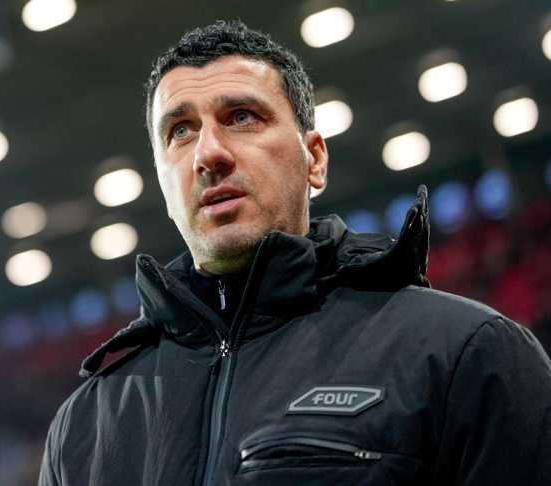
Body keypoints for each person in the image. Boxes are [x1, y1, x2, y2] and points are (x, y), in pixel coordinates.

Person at [39, 21, 551, 485]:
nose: (207, 154)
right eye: (180, 131)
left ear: (315, 160)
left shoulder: (466, 355)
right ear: (164, 181)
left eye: (241, 117)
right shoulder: (83, 427)